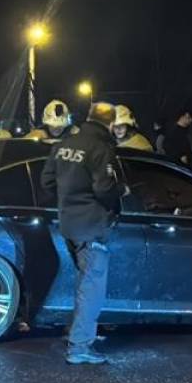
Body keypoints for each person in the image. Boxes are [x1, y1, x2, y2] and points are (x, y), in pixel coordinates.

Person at [41, 102, 128, 365]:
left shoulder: (64, 145)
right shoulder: (101, 149)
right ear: (110, 123)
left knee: (83, 283)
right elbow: (104, 189)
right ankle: (80, 347)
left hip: (68, 224)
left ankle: (78, 331)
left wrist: (68, 202)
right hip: (92, 227)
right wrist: (122, 190)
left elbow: (47, 182)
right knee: (92, 288)